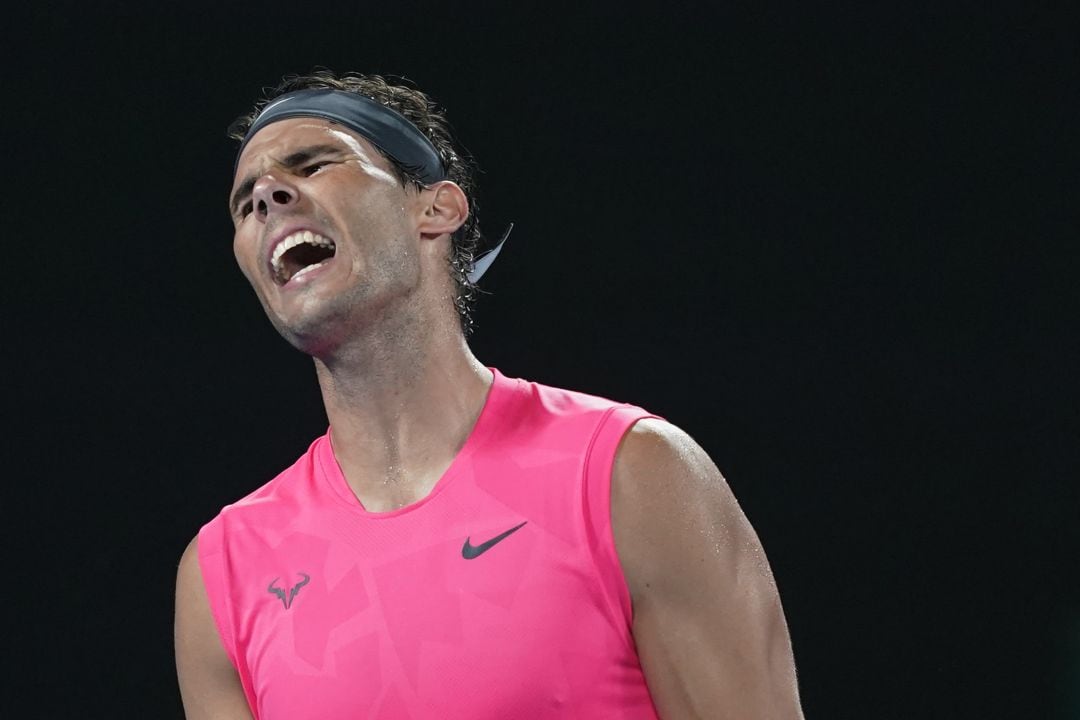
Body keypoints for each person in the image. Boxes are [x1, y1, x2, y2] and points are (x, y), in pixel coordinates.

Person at [174, 70, 805, 720]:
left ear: (436, 207)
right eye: (243, 201)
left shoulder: (633, 475)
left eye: (313, 163)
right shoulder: (222, 574)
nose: (266, 197)